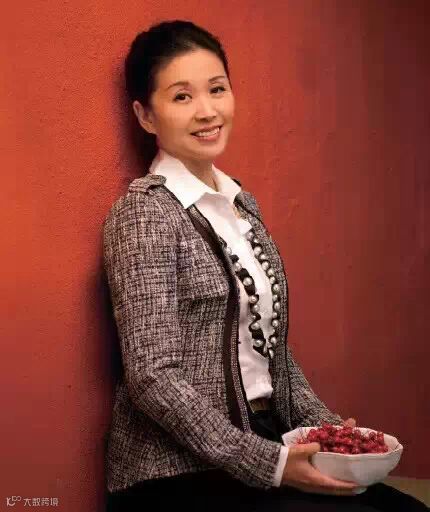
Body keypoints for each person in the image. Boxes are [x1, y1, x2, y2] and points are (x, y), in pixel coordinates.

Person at [103, 20, 427, 512]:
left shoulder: (241, 206)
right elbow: (152, 378)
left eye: (217, 89)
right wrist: (271, 464)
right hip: (176, 472)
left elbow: (271, 352)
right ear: (146, 116)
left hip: (266, 438)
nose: (207, 111)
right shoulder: (144, 214)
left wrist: (327, 431)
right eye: (182, 96)